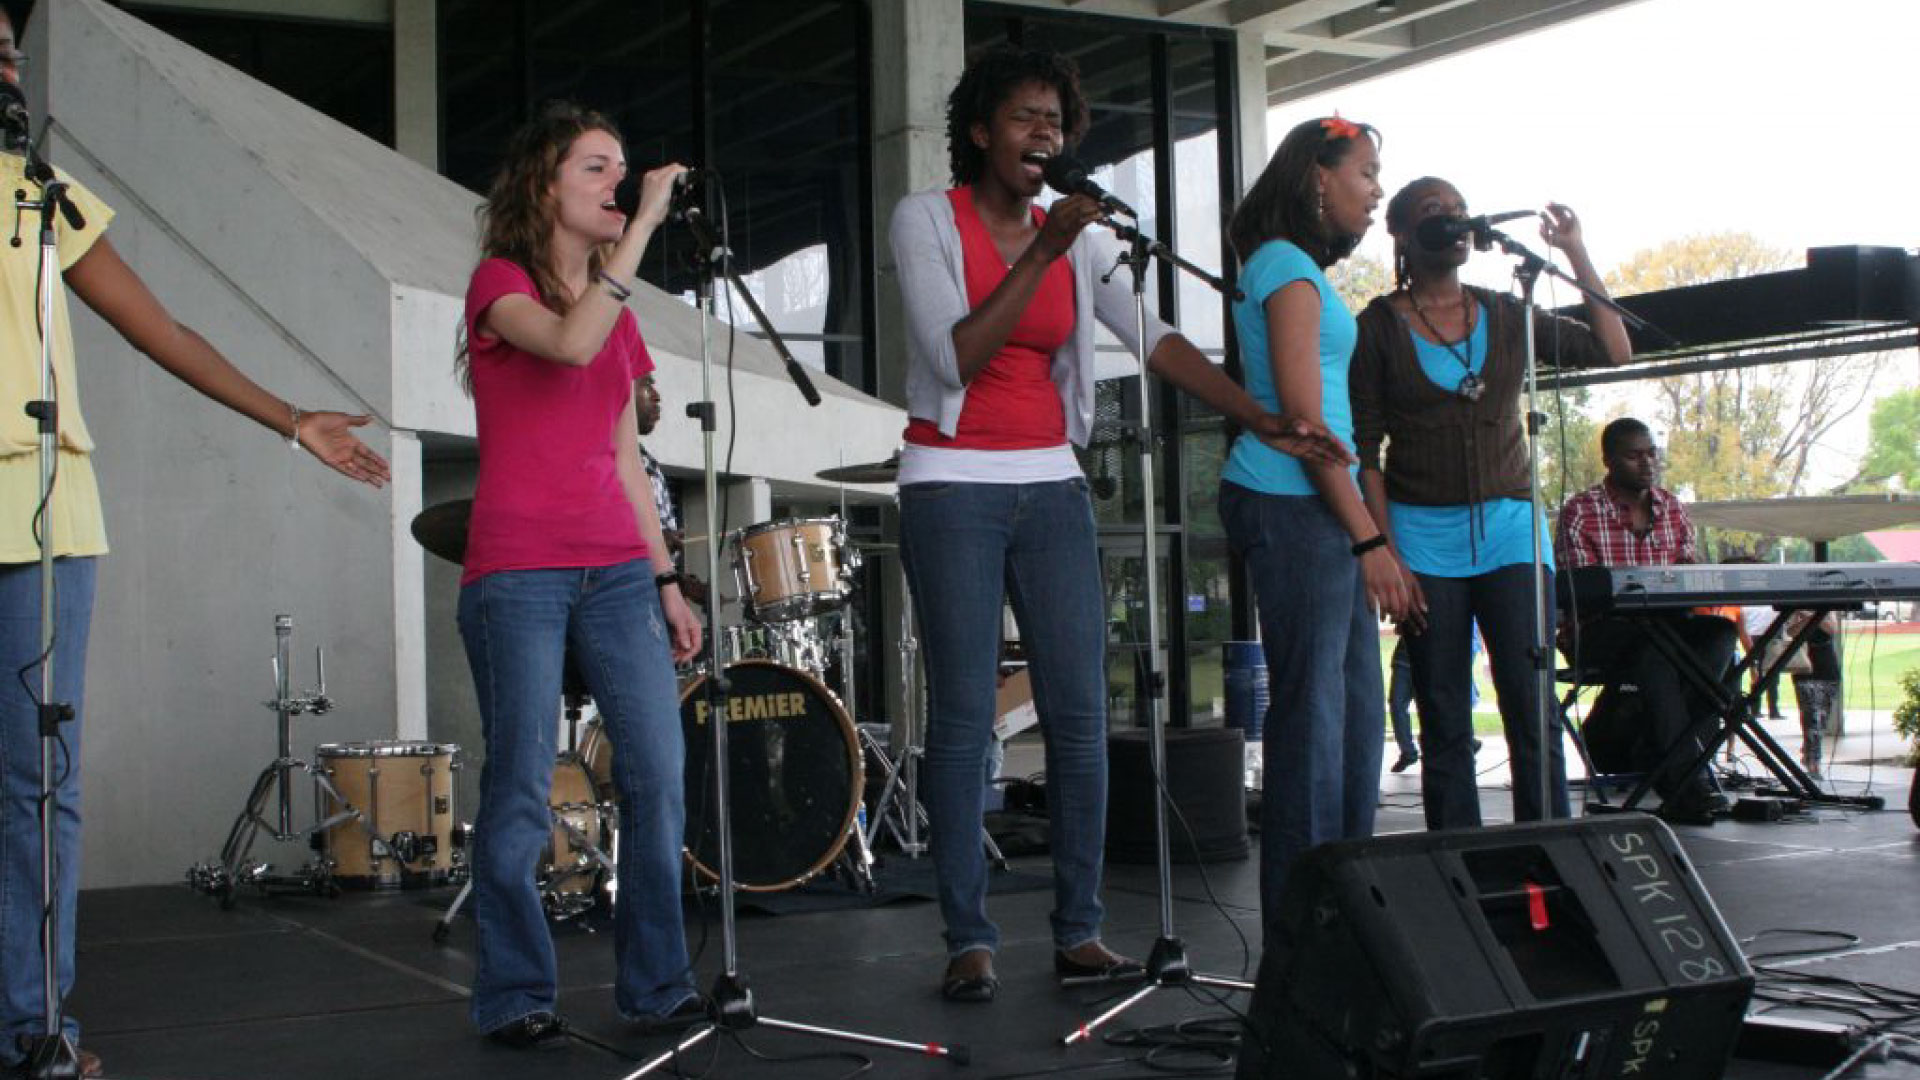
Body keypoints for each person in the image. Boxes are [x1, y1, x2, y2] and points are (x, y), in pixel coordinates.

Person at [890, 45, 1347, 1004]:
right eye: (1024, 117)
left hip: (1051, 482)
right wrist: (1048, 249)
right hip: (951, 482)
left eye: (1055, 122)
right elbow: (953, 355)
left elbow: (1155, 338)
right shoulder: (926, 220)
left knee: (1083, 714)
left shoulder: (1087, 237)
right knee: (968, 715)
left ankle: (1079, 931)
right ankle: (968, 937)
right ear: (980, 130)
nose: (1044, 135)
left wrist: (1256, 412)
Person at [0, 9, 389, 1075]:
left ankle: (33, 1028)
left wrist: (288, 418)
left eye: (9, 46)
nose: (7, 63)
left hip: (46, 524)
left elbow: (160, 328)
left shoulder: (41, 197)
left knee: (39, 784)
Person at [455, 101, 703, 1048]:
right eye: (597, 169)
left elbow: (626, 459)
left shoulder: (620, 313)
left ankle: (656, 983)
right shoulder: (499, 282)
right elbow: (562, 343)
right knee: (522, 783)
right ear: (545, 186)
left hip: (614, 569)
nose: (616, 184)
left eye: (623, 170)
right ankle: (515, 993)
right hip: (518, 570)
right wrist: (640, 225)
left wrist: (667, 580)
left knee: (657, 771)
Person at [1352, 178, 1631, 830]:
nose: (1448, 221)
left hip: (1510, 531)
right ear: (1400, 234)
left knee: (1531, 704)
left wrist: (1576, 253)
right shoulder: (1378, 327)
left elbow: (1615, 349)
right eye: (1431, 214)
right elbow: (1363, 450)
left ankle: (1551, 853)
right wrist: (1385, 551)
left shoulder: (1507, 314)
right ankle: (1462, 865)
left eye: (1455, 211)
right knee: (1445, 715)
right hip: (1422, 537)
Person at [1216, 114, 1409, 930]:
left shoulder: (1301, 270)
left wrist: (1368, 530)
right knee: (1312, 723)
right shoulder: (1285, 263)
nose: (1376, 191)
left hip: (1323, 508)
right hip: (1293, 504)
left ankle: (1350, 915)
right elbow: (1302, 419)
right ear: (1316, 177)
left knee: (1358, 720)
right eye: (1366, 172)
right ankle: (1304, 932)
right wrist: (1367, 536)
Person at [1557, 418, 1736, 824]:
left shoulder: (1672, 507)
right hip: (1600, 631)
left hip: (1666, 627)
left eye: (1652, 452)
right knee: (1655, 650)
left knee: (1720, 635)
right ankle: (1687, 785)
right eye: (1634, 455)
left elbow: (1689, 575)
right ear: (1608, 460)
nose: (1647, 462)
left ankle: (1667, 757)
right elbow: (1584, 592)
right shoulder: (1581, 512)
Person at [634, 373, 705, 606]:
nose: (657, 396)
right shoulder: (602, 460)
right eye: (646, 385)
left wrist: (682, 584)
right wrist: (648, 539)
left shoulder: (648, 461)